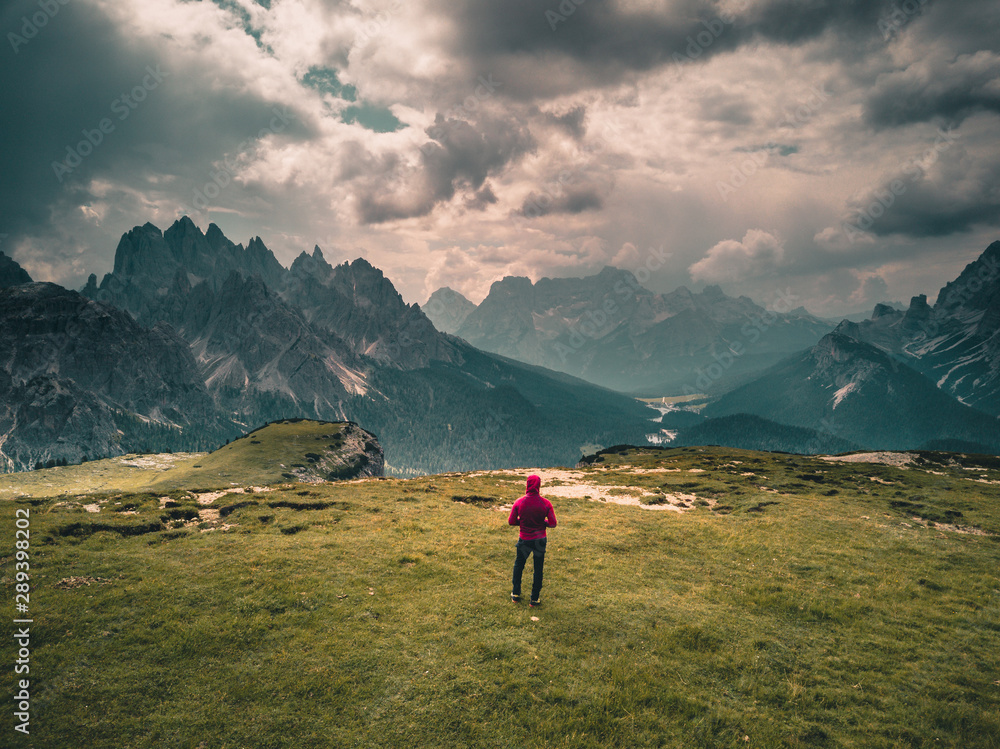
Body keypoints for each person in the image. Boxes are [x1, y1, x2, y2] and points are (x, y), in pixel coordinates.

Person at [508, 474, 557, 607]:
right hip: (540, 540)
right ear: (539, 486)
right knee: (538, 568)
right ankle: (534, 599)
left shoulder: (519, 502)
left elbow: (511, 522)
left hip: (524, 539)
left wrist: (523, 522)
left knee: (519, 565)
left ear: (527, 485)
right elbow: (553, 524)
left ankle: (516, 594)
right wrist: (543, 523)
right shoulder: (546, 503)